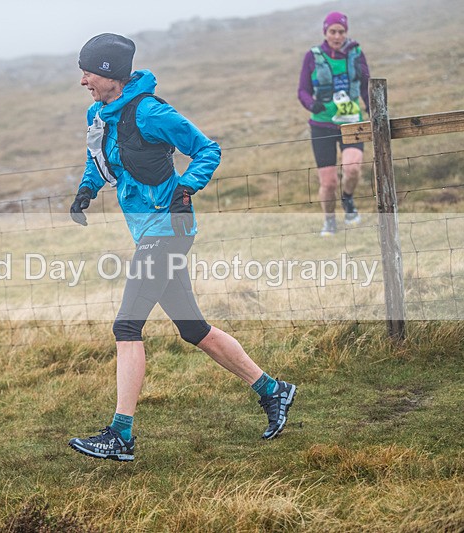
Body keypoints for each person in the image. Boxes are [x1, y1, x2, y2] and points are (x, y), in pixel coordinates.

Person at [67, 33, 297, 462]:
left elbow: (207, 149)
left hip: (169, 228)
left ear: (111, 74)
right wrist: (86, 189)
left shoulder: (152, 112)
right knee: (194, 330)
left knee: (126, 326)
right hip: (148, 229)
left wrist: (188, 186)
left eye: (88, 72)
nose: (83, 80)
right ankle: (274, 389)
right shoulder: (99, 114)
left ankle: (121, 434)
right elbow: (100, 160)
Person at [297, 11, 371, 236]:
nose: (337, 36)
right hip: (322, 125)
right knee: (328, 182)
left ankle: (347, 198)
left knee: (353, 168)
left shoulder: (356, 54)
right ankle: (329, 221)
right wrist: (312, 105)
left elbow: (368, 84)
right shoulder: (313, 56)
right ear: (325, 33)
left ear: (346, 33)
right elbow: (302, 90)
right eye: (332, 31)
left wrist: (372, 110)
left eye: (341, 31)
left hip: (351, 123)